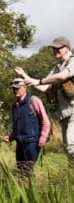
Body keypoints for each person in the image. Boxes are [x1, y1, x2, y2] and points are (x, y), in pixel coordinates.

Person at [14, 36, 74, 167]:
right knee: (67, 147)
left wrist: (39, 80)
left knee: (70, 145)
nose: (54, 50)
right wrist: (24, 75)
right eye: (53, 48)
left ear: (67, 48)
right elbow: (44, 87)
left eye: (58, 47)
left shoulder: (72, 62)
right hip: (65, 113)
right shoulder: (56, 68)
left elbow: (63, 76)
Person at [3, 78, 51, 177]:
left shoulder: (34, 100)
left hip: (32, 142)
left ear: (25, 88)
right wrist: (11, 137)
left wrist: (43, 137)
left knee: (29, 170)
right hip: (19, 143)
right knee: (20, 170)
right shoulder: (14, 105)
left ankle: (33, 189)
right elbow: (17, 125)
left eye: (18, 88)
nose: (15, 90)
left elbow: (45, 121)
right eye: (13, 89)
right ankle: (22, 189)